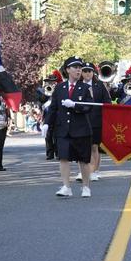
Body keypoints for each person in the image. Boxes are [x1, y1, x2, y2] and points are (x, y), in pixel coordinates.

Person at [43, 56, 94, 198]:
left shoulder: (85, 88)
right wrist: (47, 123)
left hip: (81, 129)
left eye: (80, 68)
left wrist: (75, 105)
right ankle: (66, 186)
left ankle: (85, 187)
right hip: (63, 129)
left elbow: (89, 107)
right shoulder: (59, 88)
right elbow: (53, 108)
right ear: (67, 70)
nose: (78, 70)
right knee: (64, 158)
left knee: (83, 160)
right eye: (75, 67)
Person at [80, 61, 111, 182]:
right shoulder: (78, 85)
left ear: (93, 73)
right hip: (81, 119)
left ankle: (94, 171)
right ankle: (83, 170)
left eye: (90, 71)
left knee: (94, 147)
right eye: (85, 71)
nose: (87, 73)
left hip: (96, 120)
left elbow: (107, 101)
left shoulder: (100, 85)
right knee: (83, 146)